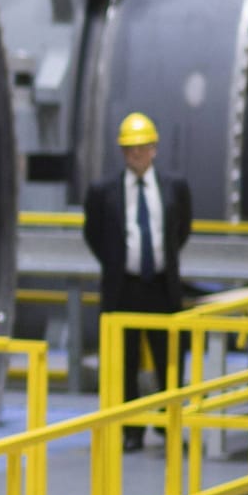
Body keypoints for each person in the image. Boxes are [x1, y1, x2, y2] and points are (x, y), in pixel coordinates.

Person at [83, 111, 194, 451]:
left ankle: (167, 424)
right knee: (125, 360)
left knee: (168, 358)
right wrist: (118, 263)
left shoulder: (175, 188)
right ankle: (131, 430)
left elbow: (181, 230)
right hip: (124, 287)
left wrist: (161, 260)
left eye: (142, 148)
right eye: (130, 149)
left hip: (162, 286)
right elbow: (94, 234)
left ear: (154, 149)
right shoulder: (104, 192)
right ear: (122, 153)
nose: (137, 155)